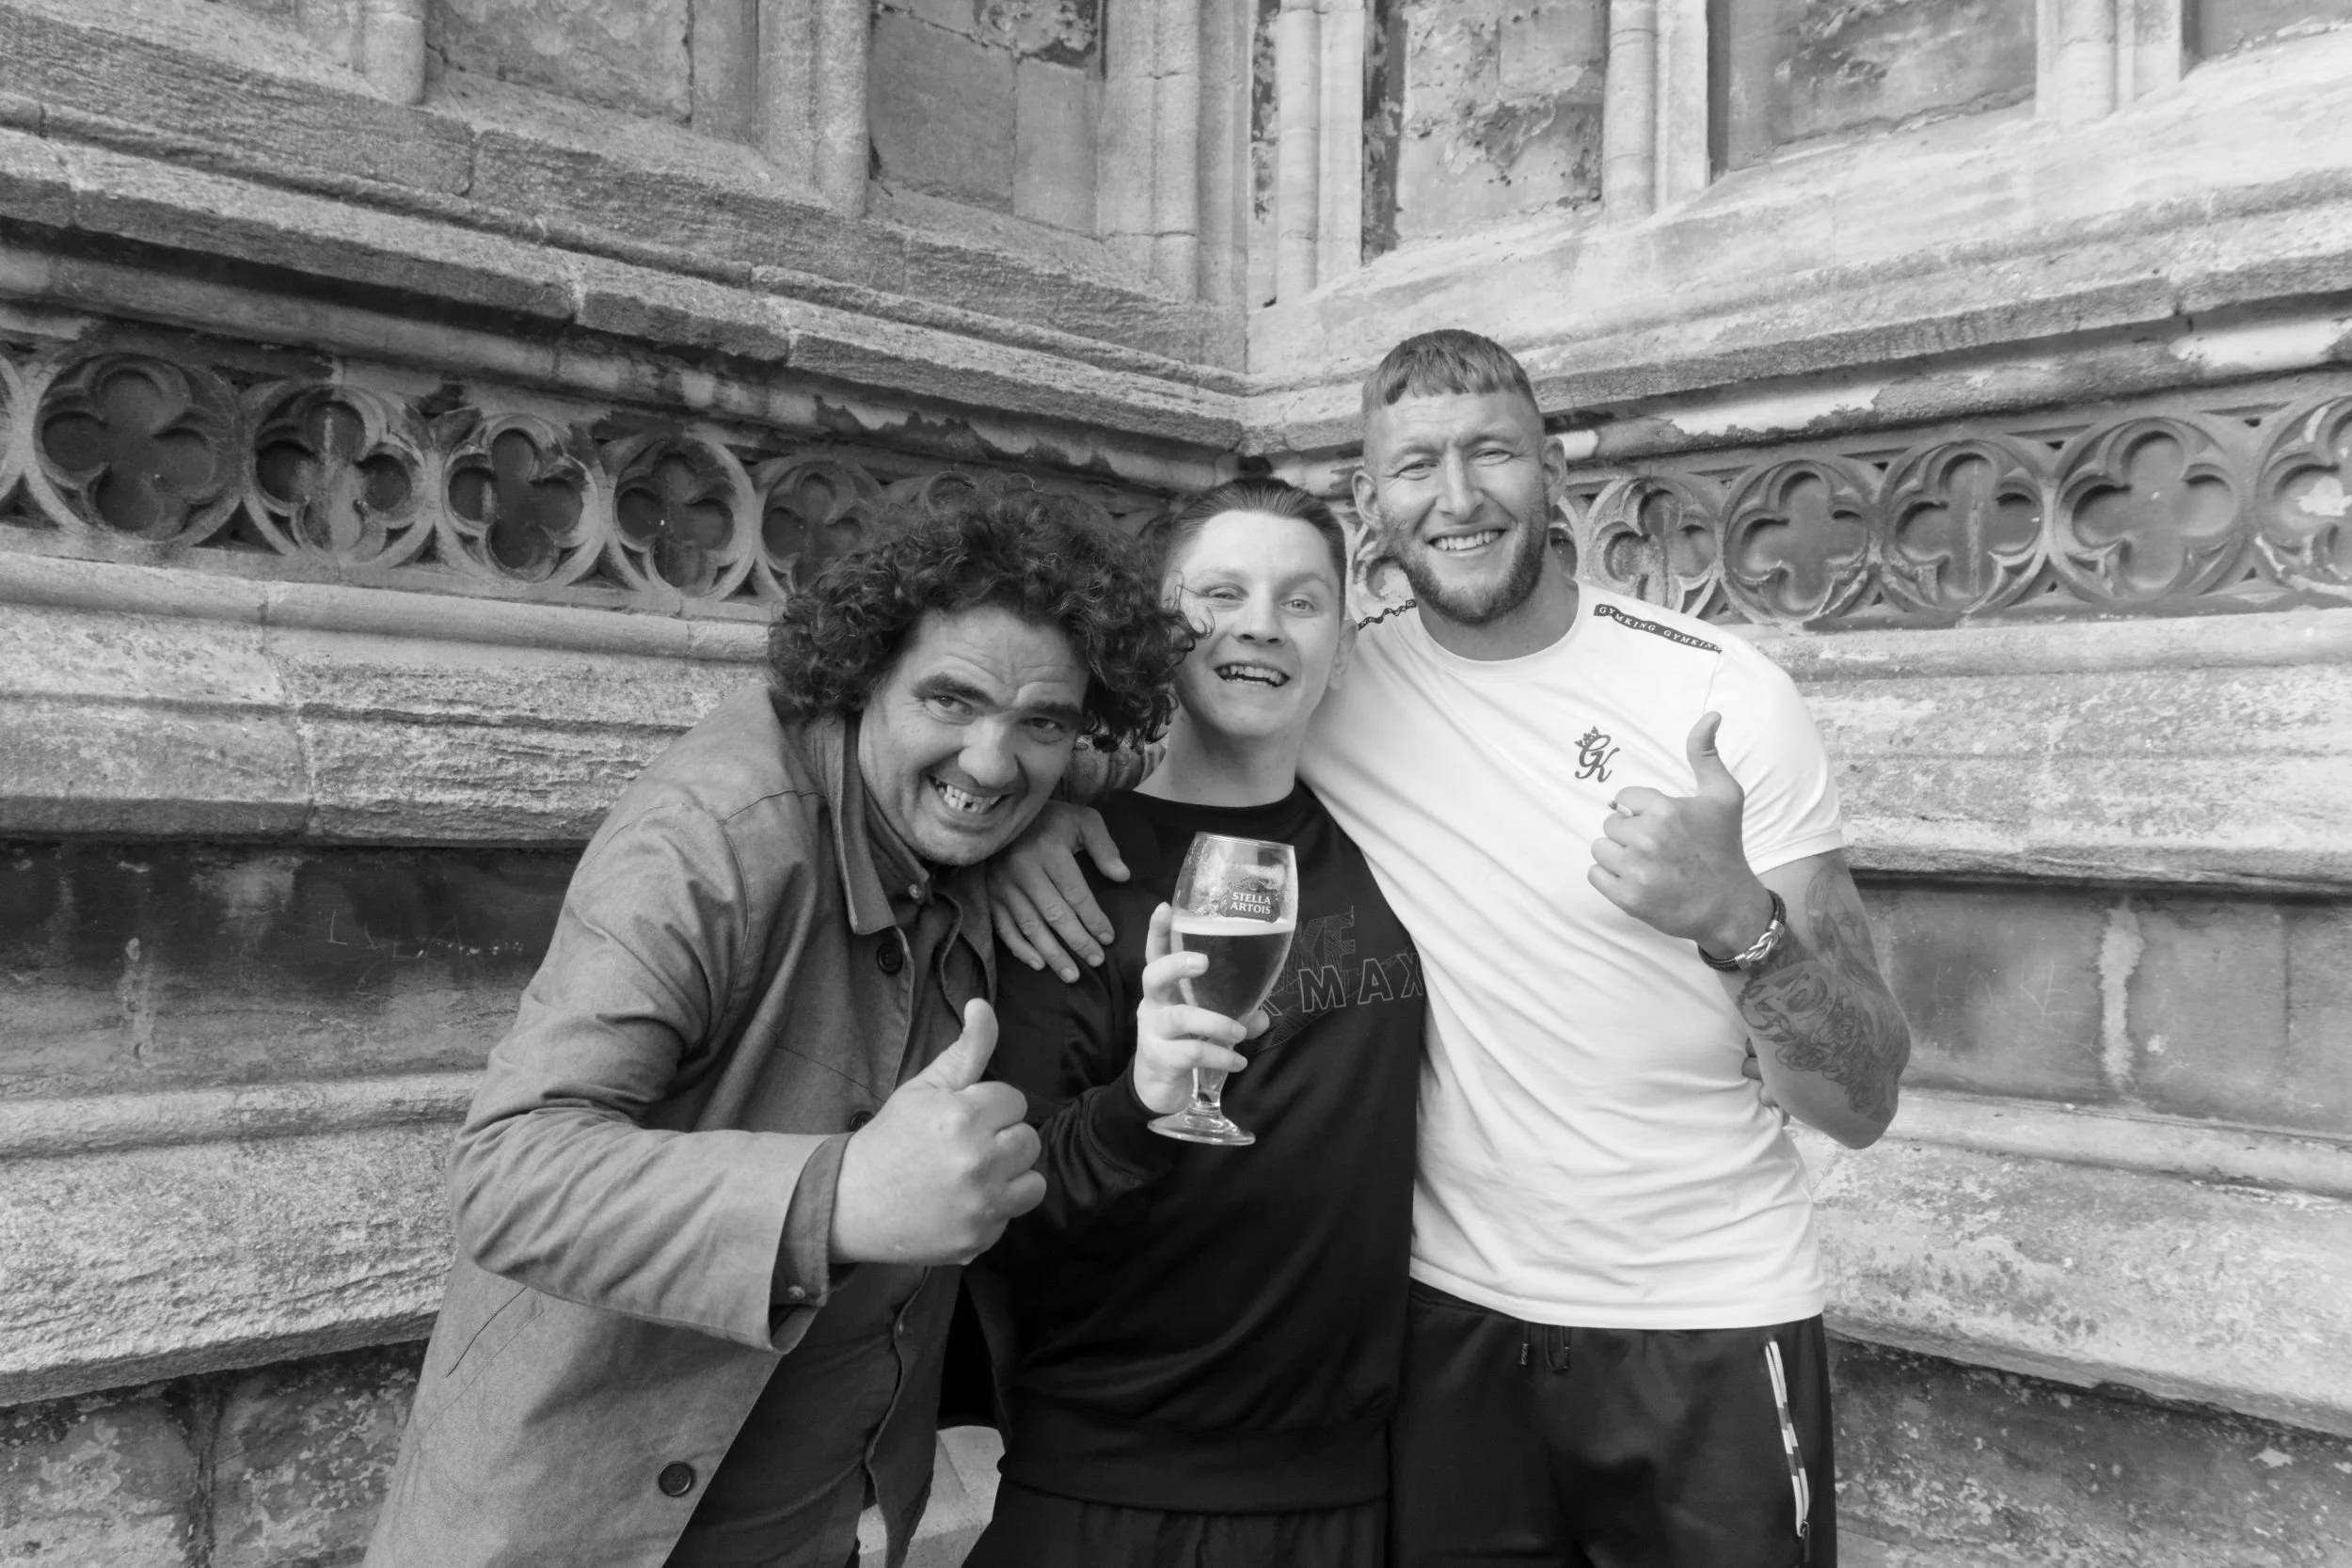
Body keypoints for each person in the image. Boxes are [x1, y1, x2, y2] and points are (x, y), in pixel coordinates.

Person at [993, 331, 1914, 1568]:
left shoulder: (1723, 698)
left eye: (1492, 452)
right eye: (1416, 463)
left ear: (1555, 467)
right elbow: (1191, 728)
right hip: (1449, 1335)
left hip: (1706, 1316)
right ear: (1373, 505)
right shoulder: (1339, 683)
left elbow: (1858, 1099)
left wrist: (1736, 920)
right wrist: (1030, 812)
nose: (1459, 494)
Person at [362, 489, 1189, 1568]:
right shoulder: (710, 838)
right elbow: (506, 1174)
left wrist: (1049, 807)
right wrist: (836, 1199)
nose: (992, 761)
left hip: (831, 1520)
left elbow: (1094, 751)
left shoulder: (987, 790)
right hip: (587, 1522)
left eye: (1041, 722)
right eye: (950, 700)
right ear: (859, 678)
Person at [960, 480, 1426, 1568]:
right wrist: (1138, 1105)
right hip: (1109, 1485)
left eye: (1300, 599)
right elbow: (1004, 1200)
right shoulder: (1074, 869)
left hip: (1348, 1482)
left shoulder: (1394, 845)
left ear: (1342, 645)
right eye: (1221, 592)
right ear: (1160, 628)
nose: (1260, 620)